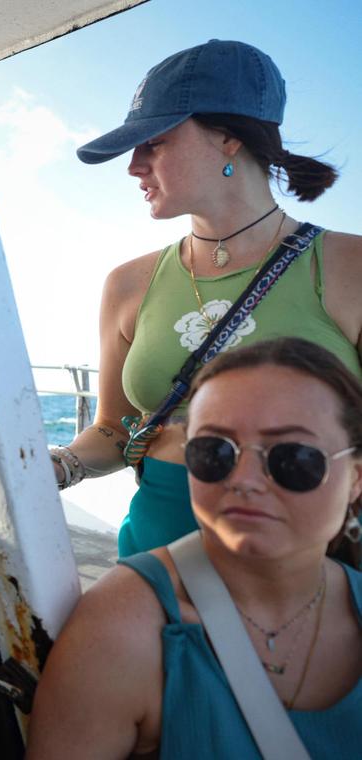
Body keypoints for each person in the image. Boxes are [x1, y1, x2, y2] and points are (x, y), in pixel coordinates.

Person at [50, 39, 362, 557]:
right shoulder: (127, 284)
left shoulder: (349, 267)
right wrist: (58, 467)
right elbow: (114, 430)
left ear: (228, 137)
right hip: (154, 564)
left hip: (307, 573)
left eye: (154, 142)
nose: (133, 166)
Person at [27, 337, 362, 759]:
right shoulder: (122, 632)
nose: (244, 480)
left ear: (356, 478)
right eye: (214, 451)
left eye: (292, 456)